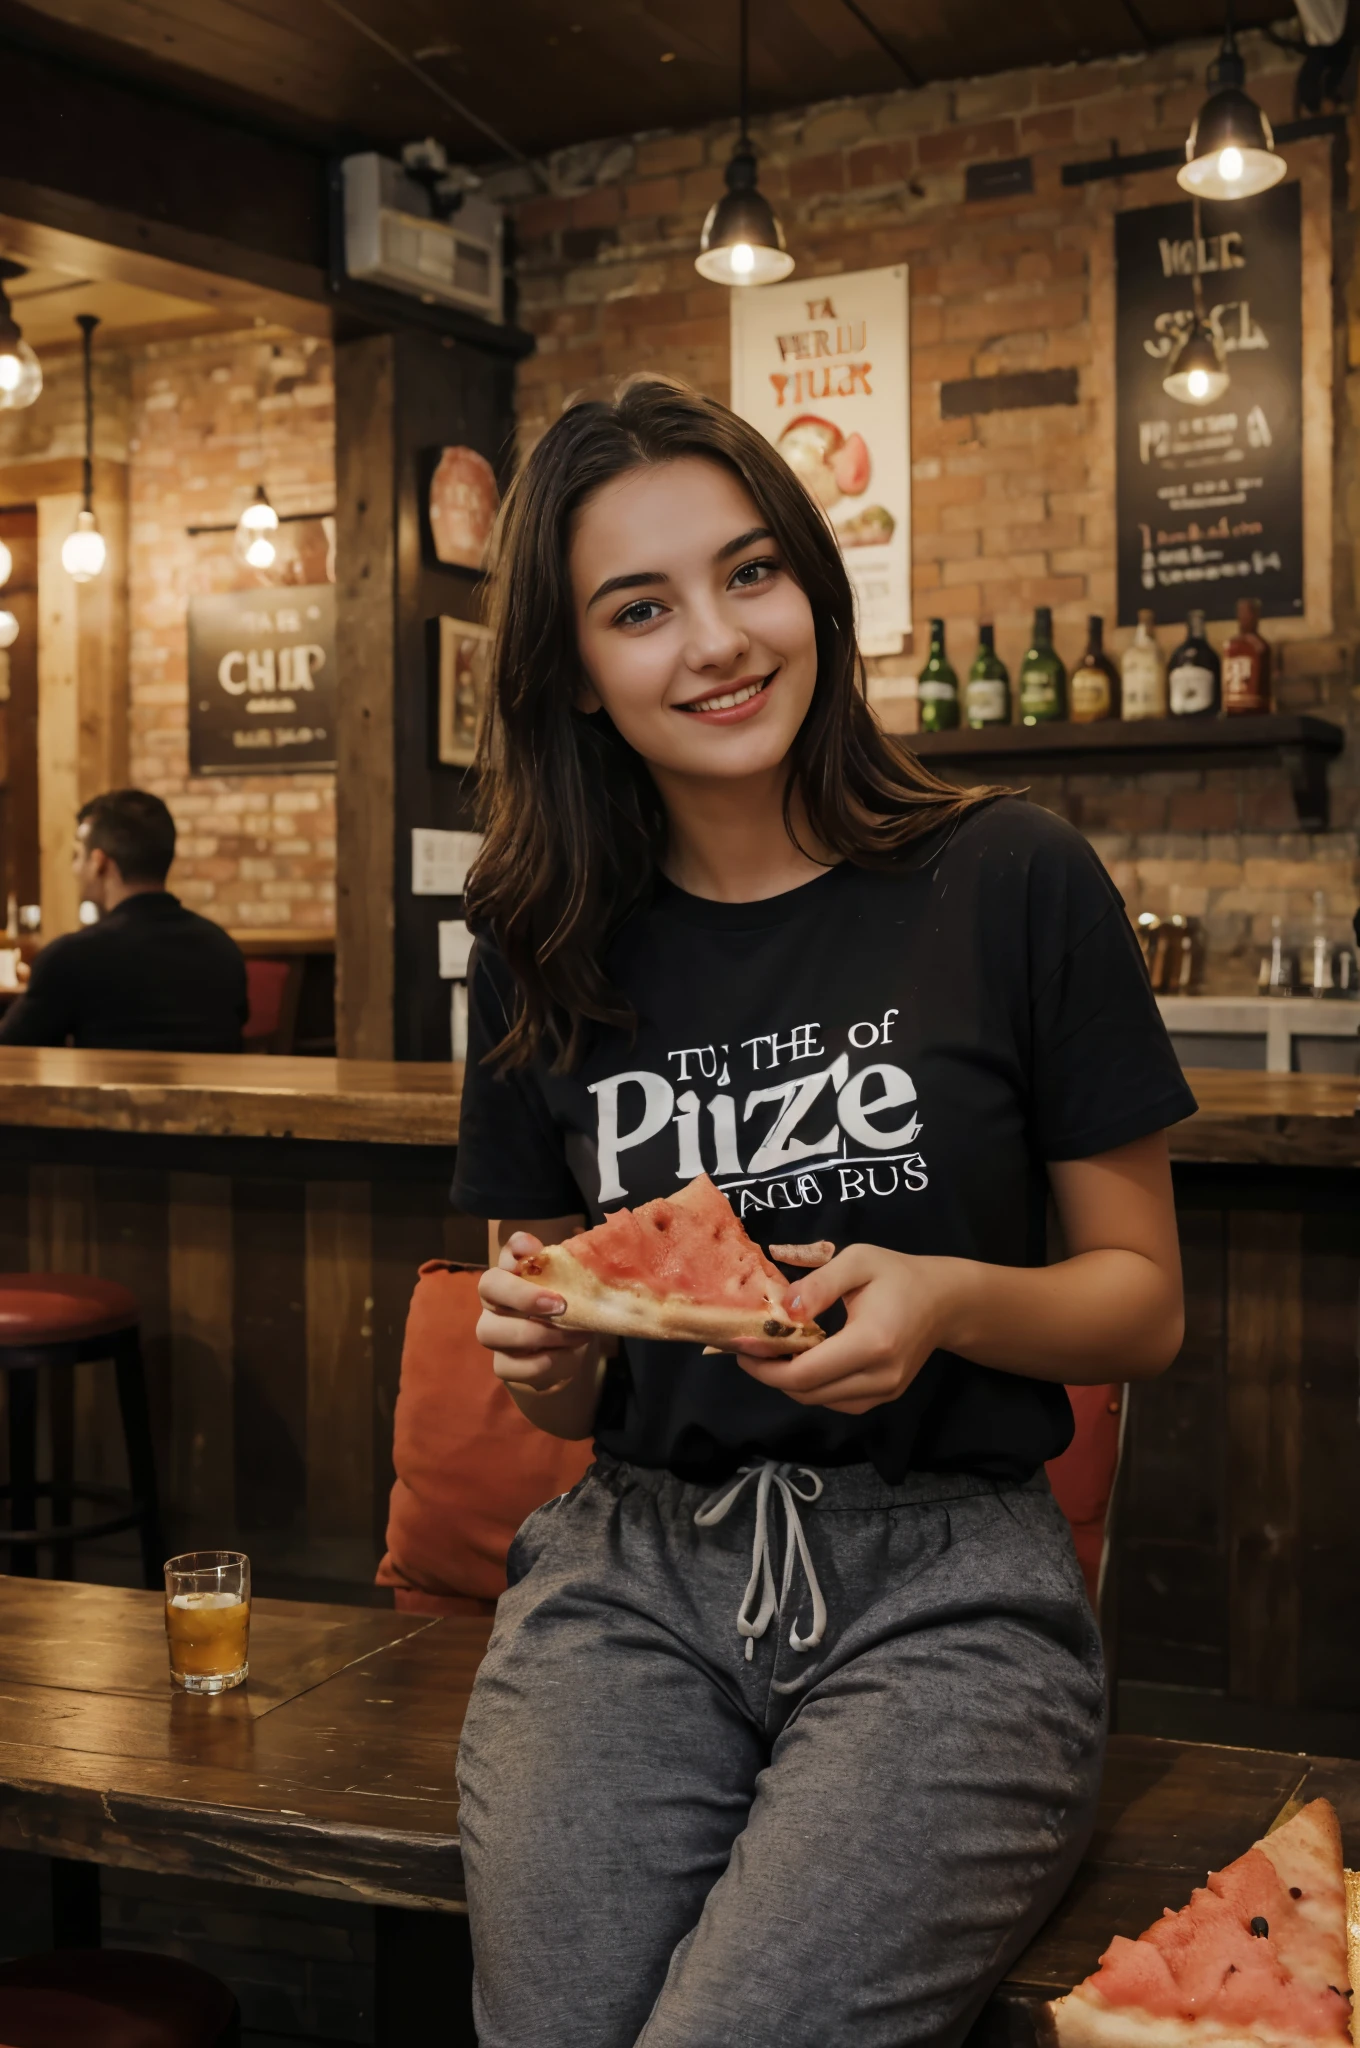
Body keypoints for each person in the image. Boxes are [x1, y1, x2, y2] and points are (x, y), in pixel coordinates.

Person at [452, 377, 1195, 2048]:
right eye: (640, 609)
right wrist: (543, 1352)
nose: (714, 640)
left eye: (750, 574)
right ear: (577, 668)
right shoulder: (542, 940)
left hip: (949, 1588)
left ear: (813, 586)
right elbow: (557, 1358)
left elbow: (1143, 1300)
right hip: (627, 1577)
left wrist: (948, 1297)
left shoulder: (1013, 877)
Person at [0, 789, 247, 1052]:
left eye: (76, 855)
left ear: (98, 863)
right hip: (211, 1094)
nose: (74, 868)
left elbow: (10, 1050)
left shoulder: (72, 956)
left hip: (104, 1095)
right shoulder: (223, 949)